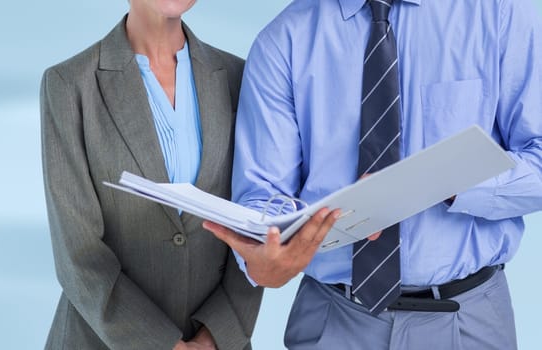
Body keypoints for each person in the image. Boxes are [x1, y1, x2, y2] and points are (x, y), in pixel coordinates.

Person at [204, 0, 542, 348]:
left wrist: (441, 183)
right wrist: (266, 253)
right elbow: (265, 197)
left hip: (468, 322)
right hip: (334, 321)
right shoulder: (284, 40)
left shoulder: (500, 12)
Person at [40, 1, 342, 348]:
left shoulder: (239, 76)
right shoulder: (69, 85)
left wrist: (214, 337)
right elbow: (79, 256)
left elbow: (257, 222)